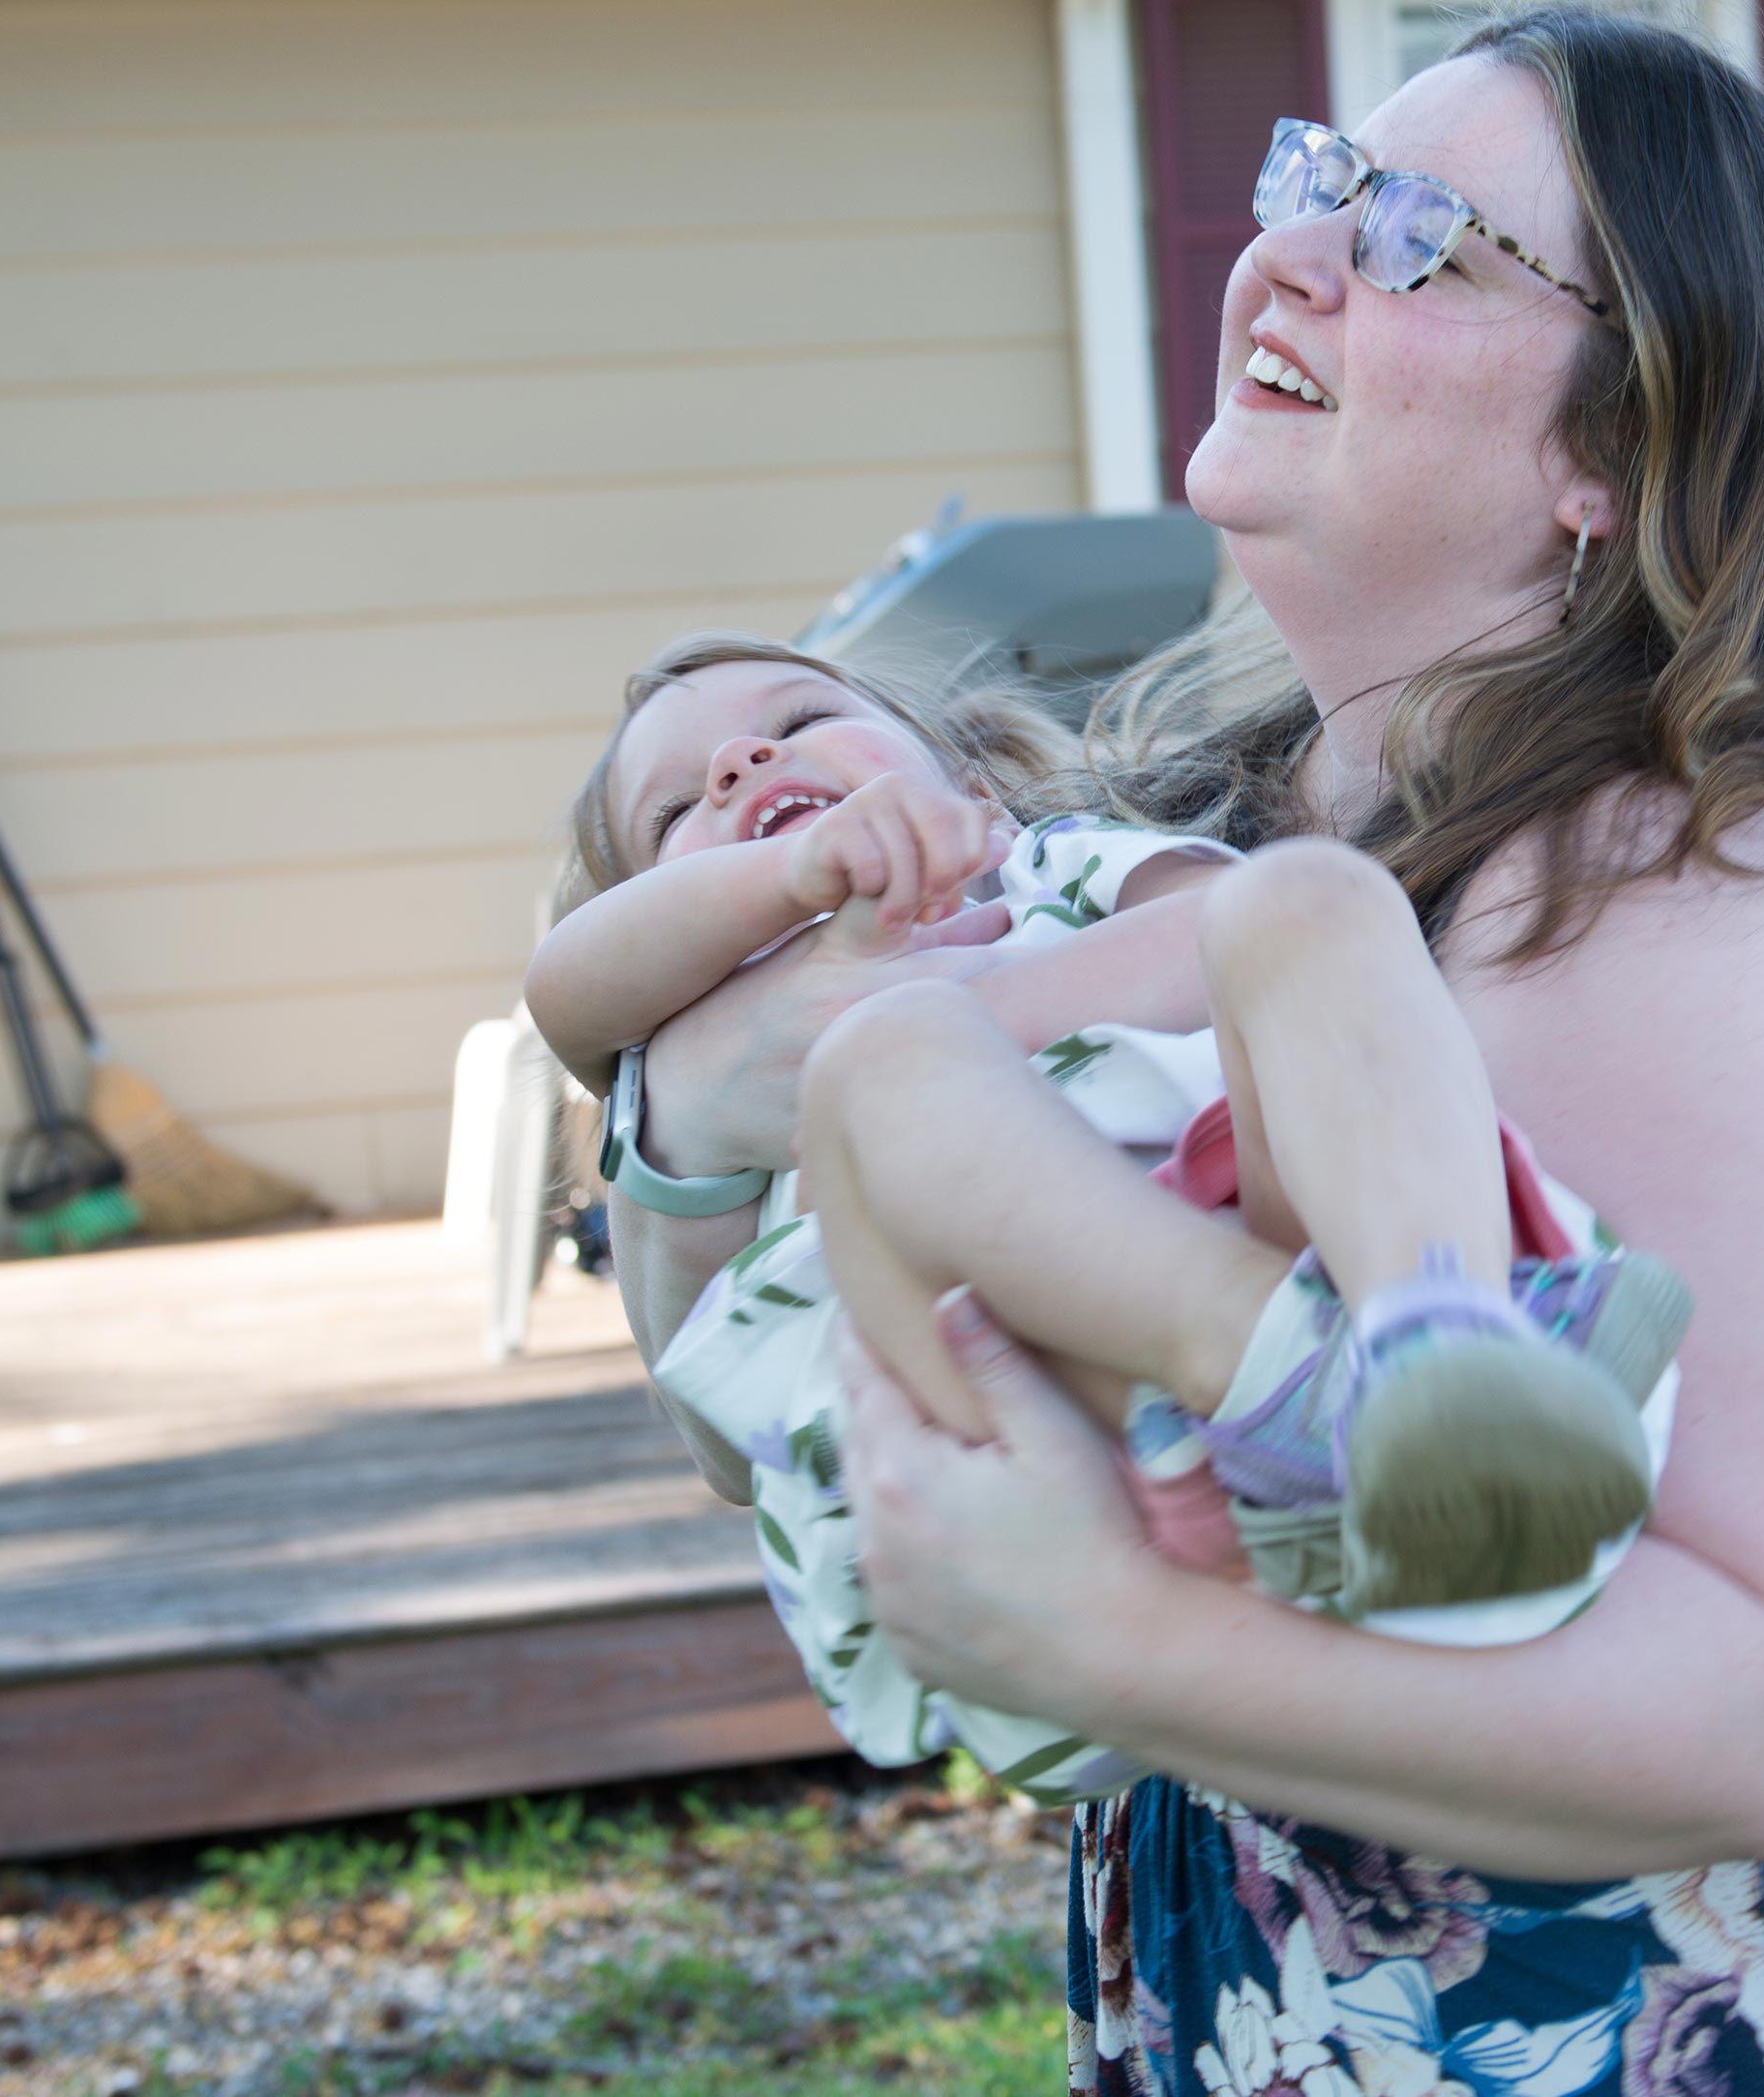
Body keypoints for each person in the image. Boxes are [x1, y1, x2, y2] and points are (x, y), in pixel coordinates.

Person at [614, 10, 1764, 2095]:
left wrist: (1106, 1643)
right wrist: (684, 1121)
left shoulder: (1658, 901)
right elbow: (788, 1378)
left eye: (1426, 243)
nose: (1291, 256)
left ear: (1620, 458)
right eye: (1315, 185)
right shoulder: (1249, 846)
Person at [528, 636, 1689, 1796]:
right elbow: (567, 990)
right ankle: (1309, 1381)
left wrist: (980, 990)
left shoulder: (1043, 870)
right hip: (1020, 1462)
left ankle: (1439, 1327)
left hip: (1281, 1270)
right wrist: (792, 893)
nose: (744, 759)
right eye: (678, 804)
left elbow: (1221, 937)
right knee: (888, 1061)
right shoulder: (717, 1075)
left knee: (1311, 892)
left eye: (801, 718)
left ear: (969, 788)